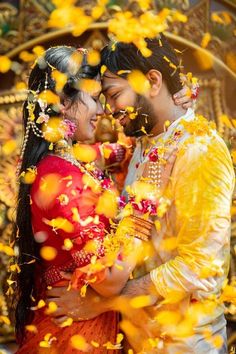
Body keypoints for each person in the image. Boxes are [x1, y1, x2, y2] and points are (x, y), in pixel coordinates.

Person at [47, 35, 235, 353]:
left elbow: (202, 267)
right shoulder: (146, 140)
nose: (109, 111)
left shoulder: (200, 150)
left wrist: (100, 303)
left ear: (152, 81)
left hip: (184, 343)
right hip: (137, 338)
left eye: (115, 94)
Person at [13, 45, 147, 354]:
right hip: (76, 334)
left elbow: (121, 149)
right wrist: (142, 211)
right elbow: (111, 280)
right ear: (62, 102)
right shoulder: (61, 178)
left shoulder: (72, 158)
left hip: (87, 322)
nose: (102, 111)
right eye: (95, 98)